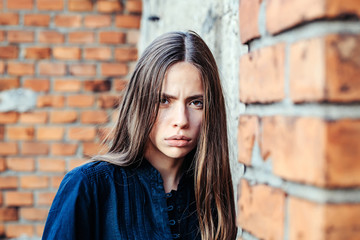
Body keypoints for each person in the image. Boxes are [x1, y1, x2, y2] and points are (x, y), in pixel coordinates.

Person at [42, 31, 237, 240]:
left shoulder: (212, 195)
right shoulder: (88, 186)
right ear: (140, 102)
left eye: (196, 103)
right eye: (164, 101)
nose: (181, 120)